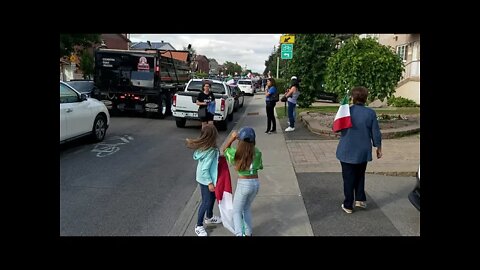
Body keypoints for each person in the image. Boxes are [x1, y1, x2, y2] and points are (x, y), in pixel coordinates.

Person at [336, 86, 382, 214]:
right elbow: (375, 132)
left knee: (348, 178)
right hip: (363, 150)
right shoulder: (370, 113)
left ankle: (348, 204)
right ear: (366, 98)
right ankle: (360, 199)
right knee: (360, 174)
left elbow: (337, 127)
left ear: (353, 98)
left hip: (346, 150)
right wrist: (378, 147)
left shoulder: (346, 111)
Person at [221, 127, 263, 236]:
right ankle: (248, 233)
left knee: (236, 211)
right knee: (246, 208)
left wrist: (232, 138)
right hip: (255, 184)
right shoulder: (257, 152)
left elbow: (224, 149)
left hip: (244, 185)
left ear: (240, 141)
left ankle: (240, 234)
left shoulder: (237, 154)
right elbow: (260, 166)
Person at [186, 124, 222, 236]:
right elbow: (205, 169)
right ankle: (199, 225)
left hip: (205, 178)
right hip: (206, 180)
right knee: (206, 202)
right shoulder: (210, 151)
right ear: (213, 136)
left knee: (212, 198)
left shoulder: (205, 149)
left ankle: (209, 217)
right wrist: (210, 182)